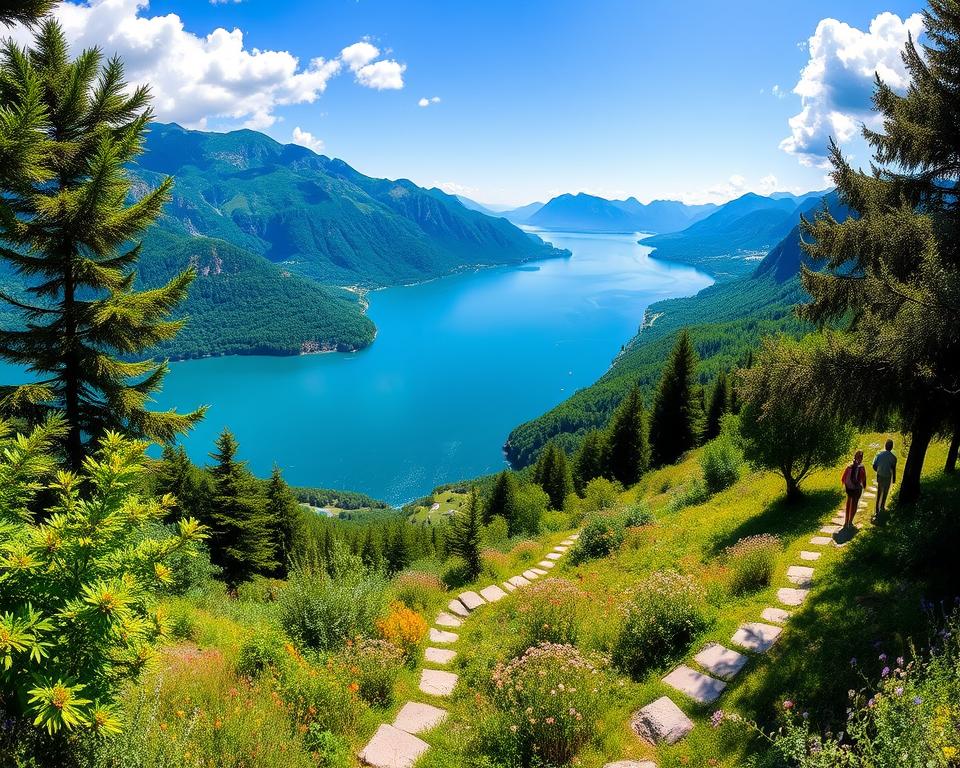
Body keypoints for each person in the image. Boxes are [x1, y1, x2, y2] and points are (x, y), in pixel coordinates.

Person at [872, 439, 897, 523]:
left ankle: (877, 509)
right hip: (887, 476)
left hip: (880, 475)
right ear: (892, 447)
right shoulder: (893, 457)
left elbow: (874, 465)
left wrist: (878, 471)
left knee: (879, 491)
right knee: (885, 491)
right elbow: (893, 469)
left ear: (885, 446)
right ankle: (882, 506)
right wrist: (894, 479)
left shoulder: (879, 454)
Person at [841, 450, 867, 529]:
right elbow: (863, 479)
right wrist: (864, 486)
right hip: (856, 488)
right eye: (861, 457)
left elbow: (843, 478)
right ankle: (850, 522)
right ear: (861, 458)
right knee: (855, 504)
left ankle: (846, 521)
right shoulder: (861, 467)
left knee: (849, 503)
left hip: (849, 488)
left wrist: (847, 485)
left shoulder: (849, 466)